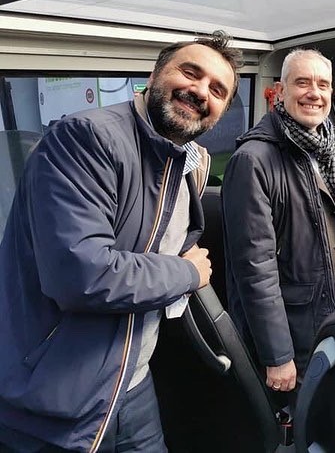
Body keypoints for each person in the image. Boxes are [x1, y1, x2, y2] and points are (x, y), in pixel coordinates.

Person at [0, 32, 242, 451]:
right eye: (190, 72)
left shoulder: (185, 163)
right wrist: (188, 272)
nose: (201, 91)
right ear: (154, 74)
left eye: (217, 90)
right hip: (57, 391)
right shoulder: (87, 138)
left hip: (132, 381)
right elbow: (83, 275)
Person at [223, 48, 335, 395]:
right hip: (298, 323)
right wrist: (278, 355)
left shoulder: (334, 147)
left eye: (323, 85)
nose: (314, 93)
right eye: (302, 83)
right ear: (280, 92)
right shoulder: (252, 160)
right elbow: (255, 269)